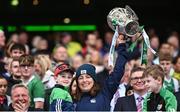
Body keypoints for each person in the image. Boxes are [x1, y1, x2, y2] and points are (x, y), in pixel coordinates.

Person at [74, 34, 128, 111]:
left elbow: (118, 71)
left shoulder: (105, 92)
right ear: (77, 82)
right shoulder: (73, 99)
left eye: (88, 77)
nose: (84, 80)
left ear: (94, 79)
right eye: (80, 78)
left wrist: (121, 46)